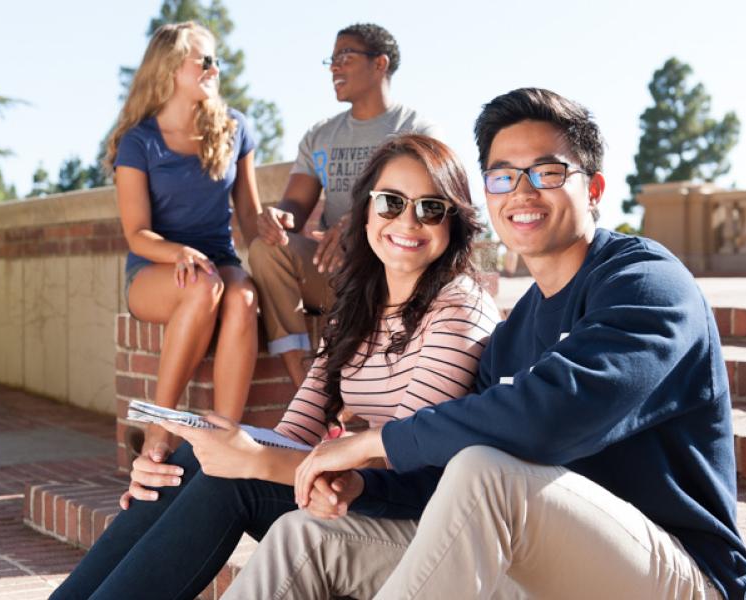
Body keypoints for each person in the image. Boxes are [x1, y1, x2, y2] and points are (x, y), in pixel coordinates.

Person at [232, 88, 746, 600]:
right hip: (538, 564)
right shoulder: (513, 335)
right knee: (306, 536)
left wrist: (372, 443)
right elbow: (441, 478)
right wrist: (365, 486)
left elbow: (551, 414)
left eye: (547, 173)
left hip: (676, 575)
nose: (521, 193)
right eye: (503, 176)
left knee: (487, 472)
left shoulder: (647, 283)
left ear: (593, 189)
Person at [49, 134, 500, 600]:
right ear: (365, 212)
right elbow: (294, 431)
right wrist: (206, 460)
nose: (407, 220)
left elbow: (403, 452)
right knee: (190, 460)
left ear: (454, 223)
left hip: (419, 513)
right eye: (390, 202)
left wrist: (255, 459)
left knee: (234, 479)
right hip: (358, 489)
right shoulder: (361, 306)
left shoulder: (459, 308)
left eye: (430, 208)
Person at [249, 23, 439, 389]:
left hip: (393, 274)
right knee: (267, 250)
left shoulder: (416, 129)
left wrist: (360, 223)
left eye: (345, 57)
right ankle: (305, 384)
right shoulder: (320, 135)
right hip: (336, 270)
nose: (334, 68)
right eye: (331, 60)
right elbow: (295, 205)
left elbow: (427, 206)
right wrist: (278, 216)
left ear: (379, 64)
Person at [107, 21, 262, 470]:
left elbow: (249, 219)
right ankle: (161, 424)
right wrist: (178, 253)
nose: (215, 68)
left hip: (218, 259)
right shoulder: (139, 142)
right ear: (172, 66)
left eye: (217, 59)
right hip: (155, 268)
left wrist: (277, 230)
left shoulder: (236, 130)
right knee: (202, 285)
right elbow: (137, 232)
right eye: (205, 59)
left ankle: (224, 440)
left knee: (243, 295)